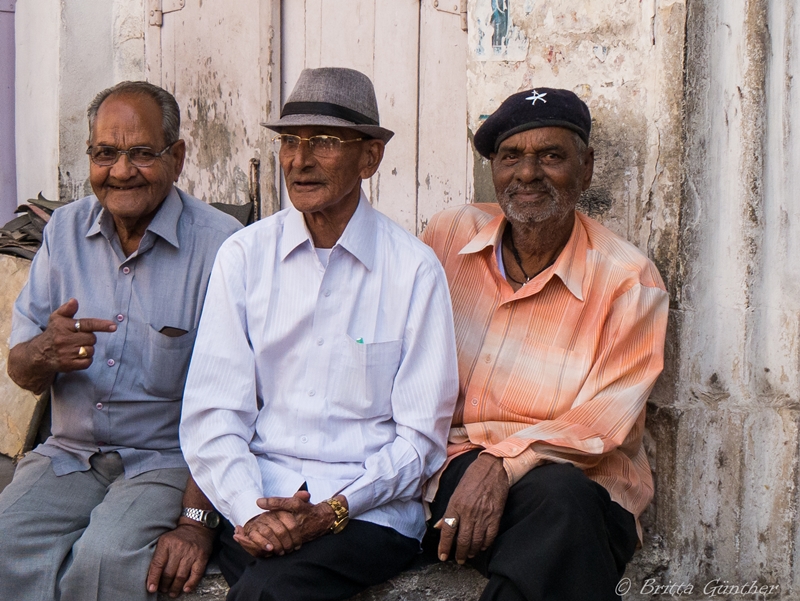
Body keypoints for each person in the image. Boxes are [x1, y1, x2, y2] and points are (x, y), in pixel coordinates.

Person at [179, 67, 458, 601]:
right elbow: (214, 412)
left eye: (325, 142)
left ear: (370, 157)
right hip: (259, 501)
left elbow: (421, 439)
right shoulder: (244, 256)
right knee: (273, 582)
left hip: (368, 511)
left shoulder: (414, 271)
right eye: (289, 141)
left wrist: (331, 511)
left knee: (272, 590)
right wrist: (247, 511)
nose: (299, 161)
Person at [421, 88, 669, 601]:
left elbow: (601, 423)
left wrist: (502, 462)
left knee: (565, 502)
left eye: (551, 156)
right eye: (511, 156)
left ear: (586, 168)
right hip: (456, 471)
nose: (527, 173)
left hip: (580, 481)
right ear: (494, 169)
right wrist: (481, 464)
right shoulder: (448, 237)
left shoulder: (629, 279)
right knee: (564, 530)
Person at [0, 81, 242, 601]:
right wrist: (46, 352)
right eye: (105, 154)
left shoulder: (223, 247)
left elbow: (239, 402)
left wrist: (198, 520)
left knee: (105, 558)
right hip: (69, 453)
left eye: (141, 153)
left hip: (167, 462)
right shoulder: (63, 231)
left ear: (176, 158)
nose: (121, 170)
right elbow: (21, 367)